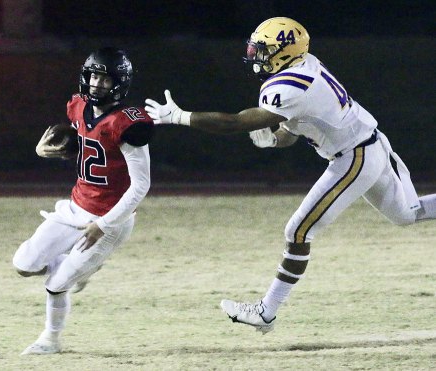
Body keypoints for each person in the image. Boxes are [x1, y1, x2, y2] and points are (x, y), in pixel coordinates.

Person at [144, 17, 436, 334]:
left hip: (356, 155)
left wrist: (180, 117)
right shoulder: (304, 64)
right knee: (407, 214)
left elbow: (233, 123)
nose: (256, 55)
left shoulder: (287, 86)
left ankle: (265, 312)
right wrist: (275, 138)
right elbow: (296, 125)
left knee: (297, 232)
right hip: (367, 145)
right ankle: (266, 312)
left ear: (284, 52)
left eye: (264, 50)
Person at [13, 47, 153, 354]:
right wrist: (66, 144)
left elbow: (141, 185)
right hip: (75, 206)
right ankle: (76, 265)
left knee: (57, 284)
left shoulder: (128, 122)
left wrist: (103, 225)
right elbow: (89, 142)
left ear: (120, 83)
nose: (96, 85)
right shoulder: (78, 106)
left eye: (105, 80)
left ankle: (50, 340)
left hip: (110, 219)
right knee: (23, 264)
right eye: (93, 77)